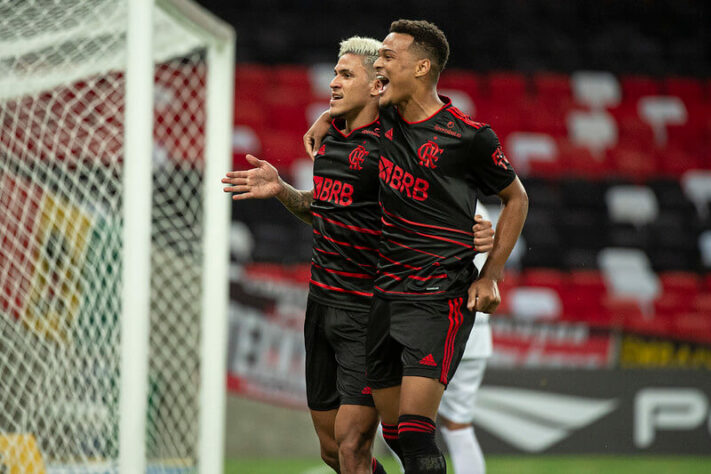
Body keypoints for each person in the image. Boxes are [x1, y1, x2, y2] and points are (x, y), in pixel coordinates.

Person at [223, 36, 496, 474]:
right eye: (335, 72)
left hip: (366, 309)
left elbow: (435, 200)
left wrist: (475, 232)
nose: (333, 82)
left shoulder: (394, 148)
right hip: (321, 305)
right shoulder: (330, 142)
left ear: (377, 85)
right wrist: (282, 192)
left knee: (353, 445)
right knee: (333, 451)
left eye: (346, 74)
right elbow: (325, 210)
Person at [304, 19, 528, 474]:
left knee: (414, 430)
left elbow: (516, 197)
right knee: (392, 434)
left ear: (422, 66)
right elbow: (356, 109)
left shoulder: (469, 137)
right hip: (384, 295)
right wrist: (327, 117)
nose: (379, 63)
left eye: (388, 56)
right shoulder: (384, 121)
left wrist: (491, 275)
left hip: (438, 295)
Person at [438, 202, 493, 474]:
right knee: (458, 425)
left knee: (398, 423)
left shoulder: (445, 196)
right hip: (477, 331)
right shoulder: (478, 206)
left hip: (442, 328)